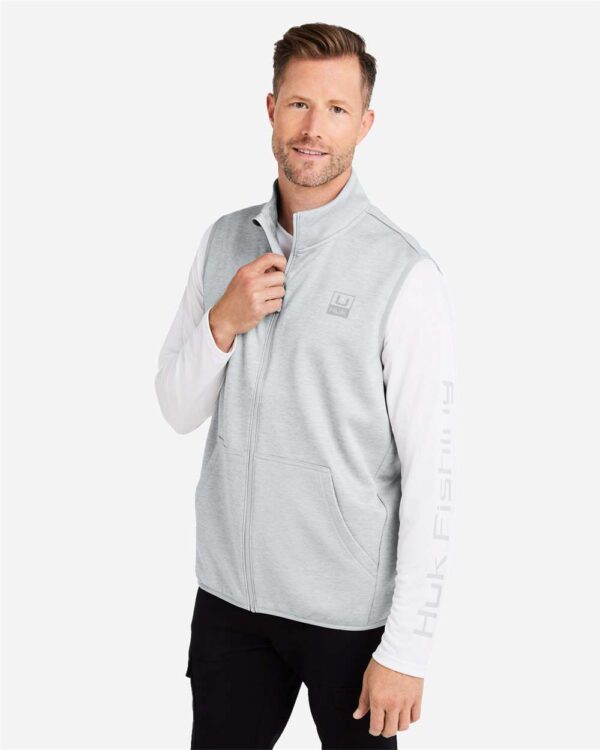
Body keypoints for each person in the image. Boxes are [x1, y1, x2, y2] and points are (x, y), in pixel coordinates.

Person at [155, 22, 457, 750]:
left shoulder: (404, 273)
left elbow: (433, 472)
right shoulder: (223, 242)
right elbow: (176, 408)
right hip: (230, 601)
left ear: (365, 123)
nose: (314, 128)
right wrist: (223, 324)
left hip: (348, 617)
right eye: (298, 104)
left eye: (336, 109)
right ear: (271, 109)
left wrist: (407, 651)